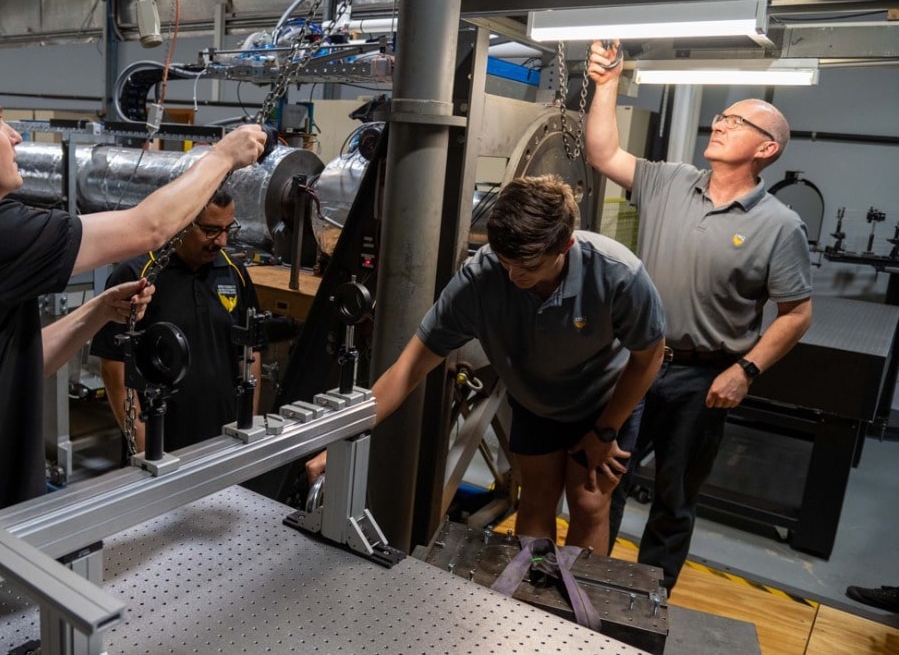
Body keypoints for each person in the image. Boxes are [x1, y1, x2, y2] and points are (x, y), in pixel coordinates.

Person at [0, 66, 265, 560]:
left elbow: (17, 365)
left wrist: (99, 311)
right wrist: (222, 156)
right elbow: (149, 227)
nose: (15, 136)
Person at [308, 174, 665, 553]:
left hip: (605, 402)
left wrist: (606, 431)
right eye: (505, 262)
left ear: (565, 245)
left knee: (589, 501)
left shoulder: (617, 274)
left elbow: (650, 356)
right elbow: (408, 367)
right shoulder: (481, 279)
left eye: (528, 266)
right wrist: (342, 441)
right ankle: (531, 590)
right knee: (537, 497)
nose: (513, 275)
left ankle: (574, 595)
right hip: (536, 400)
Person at [586, 41, 814, 591]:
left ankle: (648, 602)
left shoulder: (780, 225)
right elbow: (603, 153)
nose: (720, 124)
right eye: (721, 117)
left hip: (702, 378)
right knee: (604, 476)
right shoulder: (669, 180)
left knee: (675, 496)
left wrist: (746, 371)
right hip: (636, 362)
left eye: (736, 122)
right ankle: (588, 585)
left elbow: (797, 313)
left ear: (766, 148)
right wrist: (607, 85)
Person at [90, 189, 262, 453]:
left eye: (228, 229)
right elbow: (114, 366)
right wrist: (143, 447)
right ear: (182, 221)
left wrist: (248, 424)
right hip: (162, 442)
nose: (221, 241)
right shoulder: (138, 275)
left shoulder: (233, 272)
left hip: (224, 437)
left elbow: (250, 352)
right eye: (211, 230)